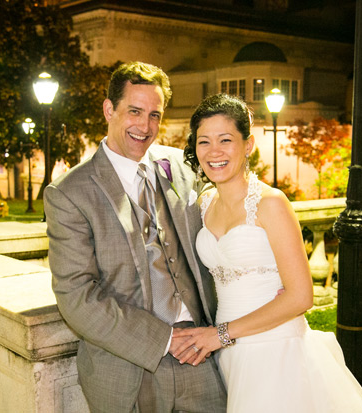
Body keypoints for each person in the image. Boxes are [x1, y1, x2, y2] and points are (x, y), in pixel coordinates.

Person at [44, 62, 226, 412]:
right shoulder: (69, 193)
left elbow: (232, 212)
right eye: (135, 111)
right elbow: (76, 296)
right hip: (127, 371)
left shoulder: (182, 165)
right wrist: (165, 339)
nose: (145, 126)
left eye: (155, 115)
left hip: (203, 358)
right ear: (109, 109)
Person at [176, 93, 362, 412]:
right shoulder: (204, 203)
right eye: (204, 142)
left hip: (275, 350)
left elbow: (300, 297)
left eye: (225, 140)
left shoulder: (272, 204)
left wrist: (220, 335)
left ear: (248, 144)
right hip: (230, 355)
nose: (214, 152)